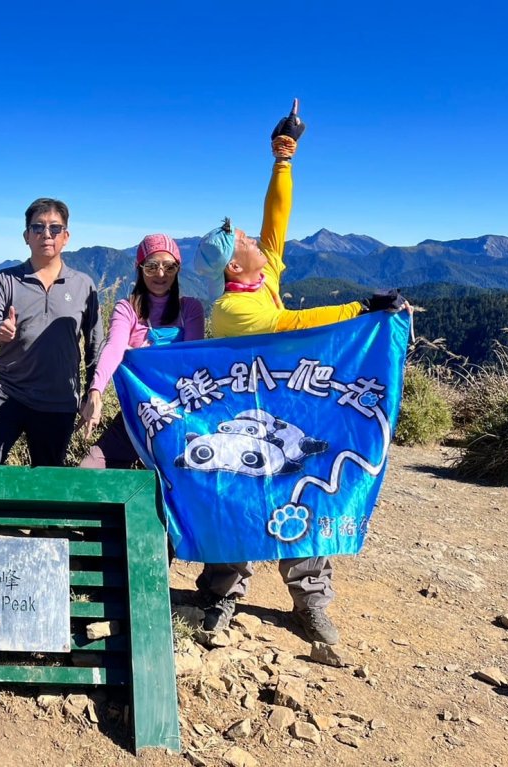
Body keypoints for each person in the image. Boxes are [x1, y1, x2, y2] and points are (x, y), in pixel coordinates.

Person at [192, 99, 409, 645]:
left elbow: (275, 217)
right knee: (239, 495)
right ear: (234, 266)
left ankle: (310, 601)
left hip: (287, 403)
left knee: (305, 495)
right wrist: (360, 311)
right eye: (242, 242)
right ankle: (221, 595)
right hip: (247, 409)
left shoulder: (258, 274)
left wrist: (282, 159)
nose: (253, 238)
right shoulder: (231, 310)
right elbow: (291, 325)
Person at [0, 198, 104, 467]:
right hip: (7, 392)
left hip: (59, 400)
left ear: (66, 237)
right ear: (26, 236)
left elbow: (95, 346)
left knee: (47, 480)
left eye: (55, 228)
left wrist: (94, 393)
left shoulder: (83, 285)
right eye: (38, 227)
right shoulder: (6, 280)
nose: (46, 234)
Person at [78, 234, 205, 468]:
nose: (160, 274)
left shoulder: (191, 308)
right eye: (151, 266)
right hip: (141, 412)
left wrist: (140, 355)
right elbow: (114, 348)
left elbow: (191, 358)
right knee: (90, 468)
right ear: (140, 268)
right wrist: (96, 390)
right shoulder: (127, 309)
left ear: (178, 269)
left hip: (183, 416)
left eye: (169, 267)